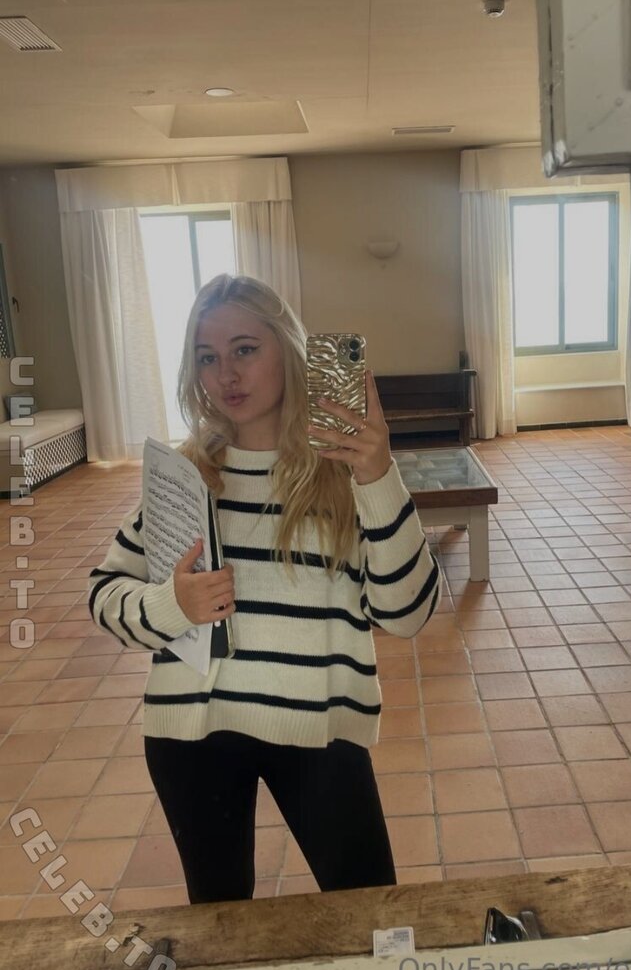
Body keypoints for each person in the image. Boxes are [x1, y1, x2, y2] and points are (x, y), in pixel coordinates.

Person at [87, 273, 442, 903]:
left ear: (289, 350)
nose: (225, 374)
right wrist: (172, 605)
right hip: (193, 732)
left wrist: (378, 473)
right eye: (207, 357)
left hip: (320, 724)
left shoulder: (345, 474)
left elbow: (407, 613)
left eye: (245, 349)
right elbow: (105, 593)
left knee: (369, 910)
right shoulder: (184, 476)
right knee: (221, 922)